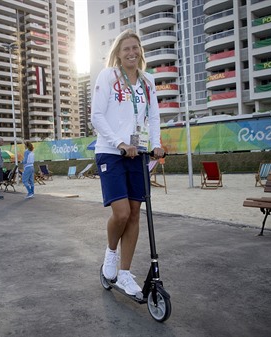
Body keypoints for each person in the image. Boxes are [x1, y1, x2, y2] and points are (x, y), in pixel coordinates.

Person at [91, 29, 164, 296]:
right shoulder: (108, 76)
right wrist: (120, 143)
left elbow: (153, 118)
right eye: (126, 49)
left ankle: (124, 273)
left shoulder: (148, 81)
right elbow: (97, 116)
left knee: (135, 213)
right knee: (121, 213)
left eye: (135, 48)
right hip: (111, 152)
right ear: (118, 54)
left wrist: (155, 144)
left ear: (140, 52)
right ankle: (111, 253)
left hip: (138, 153)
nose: (132, 52)